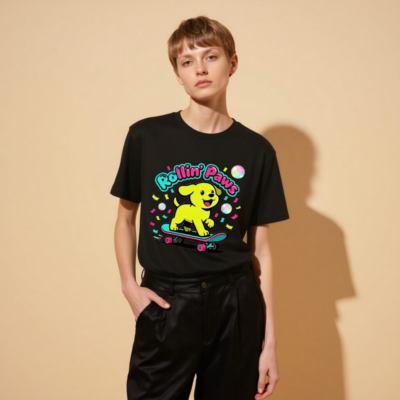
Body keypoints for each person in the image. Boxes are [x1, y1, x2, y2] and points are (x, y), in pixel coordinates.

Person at [110, 15, 290, 400]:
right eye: (187, 61)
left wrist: (269, 343)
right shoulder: (146, 136)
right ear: (178, 74)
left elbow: (262, 251)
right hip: (167, 302)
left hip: (235, 304)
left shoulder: (257, 151)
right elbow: (125, 220)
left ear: (232, 63)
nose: (200, 69)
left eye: (211, 57)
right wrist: (130, 287)